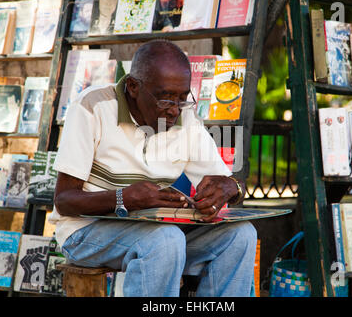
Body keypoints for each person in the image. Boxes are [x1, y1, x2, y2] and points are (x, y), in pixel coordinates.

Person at [49, 40, 257, 297]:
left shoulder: (185, 118)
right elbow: (64, 201)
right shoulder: (92, 107)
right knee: (164, 240)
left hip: (158, 233)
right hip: (85, 232)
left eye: (182, 99)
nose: (173, 110)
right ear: (134, 87)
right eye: (165, 99)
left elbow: (226, 182)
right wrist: (123, 199)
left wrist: (231, 187)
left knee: (241, 235)